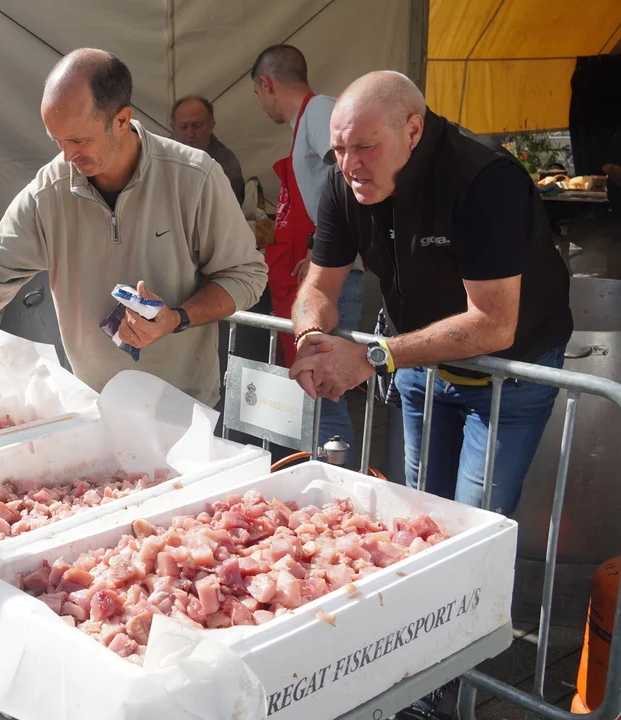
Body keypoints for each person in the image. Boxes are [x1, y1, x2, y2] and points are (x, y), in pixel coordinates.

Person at [289, 71, 571, 717]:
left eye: (365, 147)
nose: (350, 166)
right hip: (420, 367)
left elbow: (494, 323)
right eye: (339, 149)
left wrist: (372, 356)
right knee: (418, 525)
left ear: (413, 130)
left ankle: (447, 691)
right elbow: (319, 286)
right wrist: (312, 339)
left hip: (510, 376)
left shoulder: (484, 178)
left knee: (468, 534)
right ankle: (413, 674)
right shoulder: (344, 181)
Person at [0, 48, 266, 420]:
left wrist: (177, 318)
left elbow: (246, 276)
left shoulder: (194, 177)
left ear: (122, 120)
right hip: (96, 404)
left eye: (78, 140)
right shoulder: (50, 190)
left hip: (185, 406)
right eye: (57, 141)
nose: (67, 156)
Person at [251, 44, 361, 459]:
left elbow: (349, 176)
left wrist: (319, 246)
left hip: (335, 275)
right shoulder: (306, 123)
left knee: (324, 386)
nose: (262, 105)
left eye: (258, 95)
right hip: (322, 274)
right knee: (317, 388)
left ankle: (335, 477)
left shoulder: (319, 112)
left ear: (266, 84)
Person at [172, 94, 246, 205]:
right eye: (183, 127)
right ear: (173, 128)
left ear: (211, 126)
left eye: (197, 125)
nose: (190, 134)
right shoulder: (163, 158)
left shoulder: (225, 165)